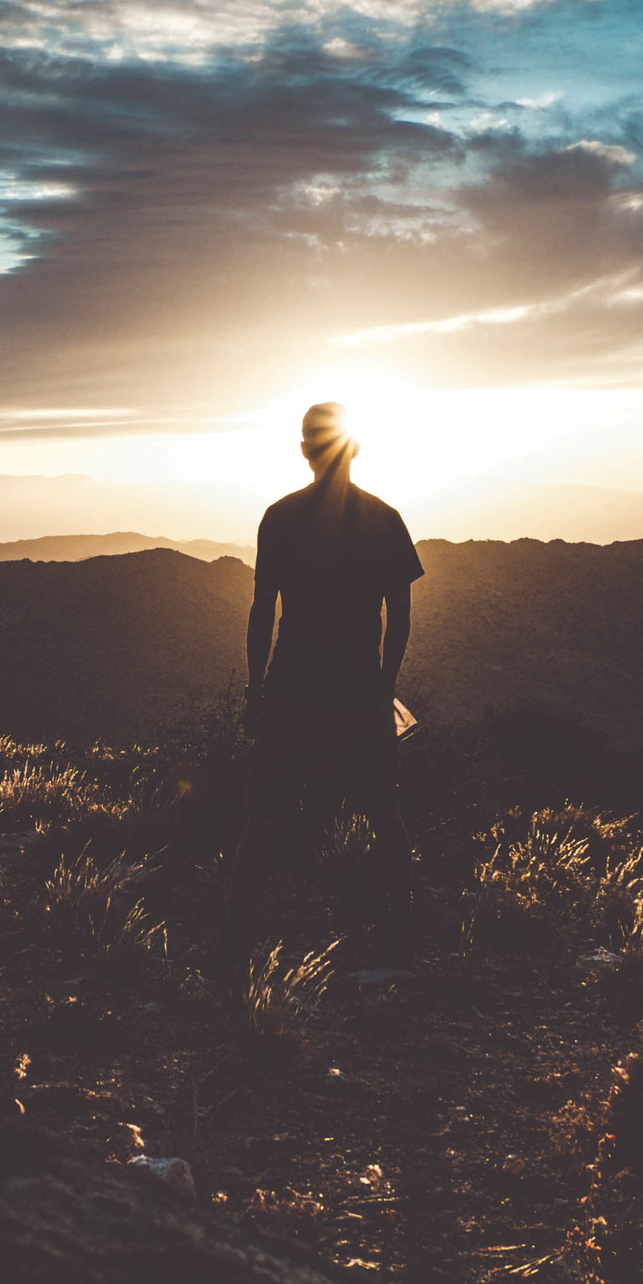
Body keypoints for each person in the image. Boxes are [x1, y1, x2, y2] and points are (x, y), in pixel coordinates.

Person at [219, 401, 425, 973]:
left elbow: (262, 610)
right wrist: (384, 689)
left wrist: (254, 692)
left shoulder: (279, 517)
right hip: (359, 685)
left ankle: (237, 940)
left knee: (263, 815)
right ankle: (400, 933)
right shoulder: (385, 518)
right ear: (354, 448)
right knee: (384, 812)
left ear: (305, 450)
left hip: (291, 683)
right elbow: (401, 619)